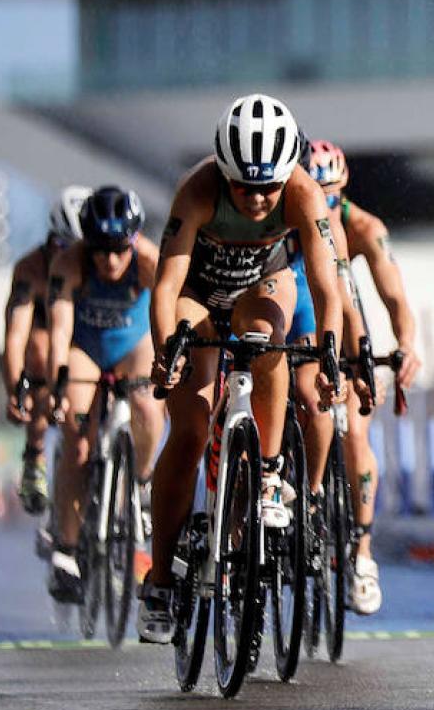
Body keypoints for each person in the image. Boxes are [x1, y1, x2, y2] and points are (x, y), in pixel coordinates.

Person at [135, 93, 348, 644]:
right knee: (189, 427)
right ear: (223, 172)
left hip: (262, 284)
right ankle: (158, 580)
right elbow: (165, 286)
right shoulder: (197, 189)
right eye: (245, 187)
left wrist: (329, 352)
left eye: (268, 188)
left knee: (266, 342)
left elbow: (327, 284)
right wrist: (166, 354)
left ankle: (270, 475)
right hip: (199, 293)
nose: (257, 200)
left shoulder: (302, 191)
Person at [289, 138, 423, 616]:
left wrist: (403, 346)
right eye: (312, 191)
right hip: (299, 309)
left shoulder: (363, 227)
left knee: (356, 430)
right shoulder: (290, 213)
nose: (318, 202)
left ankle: (362, 553)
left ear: (342, 188)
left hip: (346, 315)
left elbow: (395, 299)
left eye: (328, 194)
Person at [42, 186, 160, 602]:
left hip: (133, 345)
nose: (109, 261)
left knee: (147, 402)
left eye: (118, 250)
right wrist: (59, 384)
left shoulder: (149, 261)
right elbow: (58, 330)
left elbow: (168, 316)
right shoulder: (68, 263)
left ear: (133, 241)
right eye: (100, 250)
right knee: (77, 443)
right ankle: (67, 550)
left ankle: (141, 485)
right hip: (87, 348)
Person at [4, 186, 93, 516]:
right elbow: (15, 336)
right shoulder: (30, 270)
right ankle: (35, 452)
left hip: (87, 332)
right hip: (45, 333)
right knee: (41, 352)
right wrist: (16, 388)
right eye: (64, 247)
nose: (71, 258)